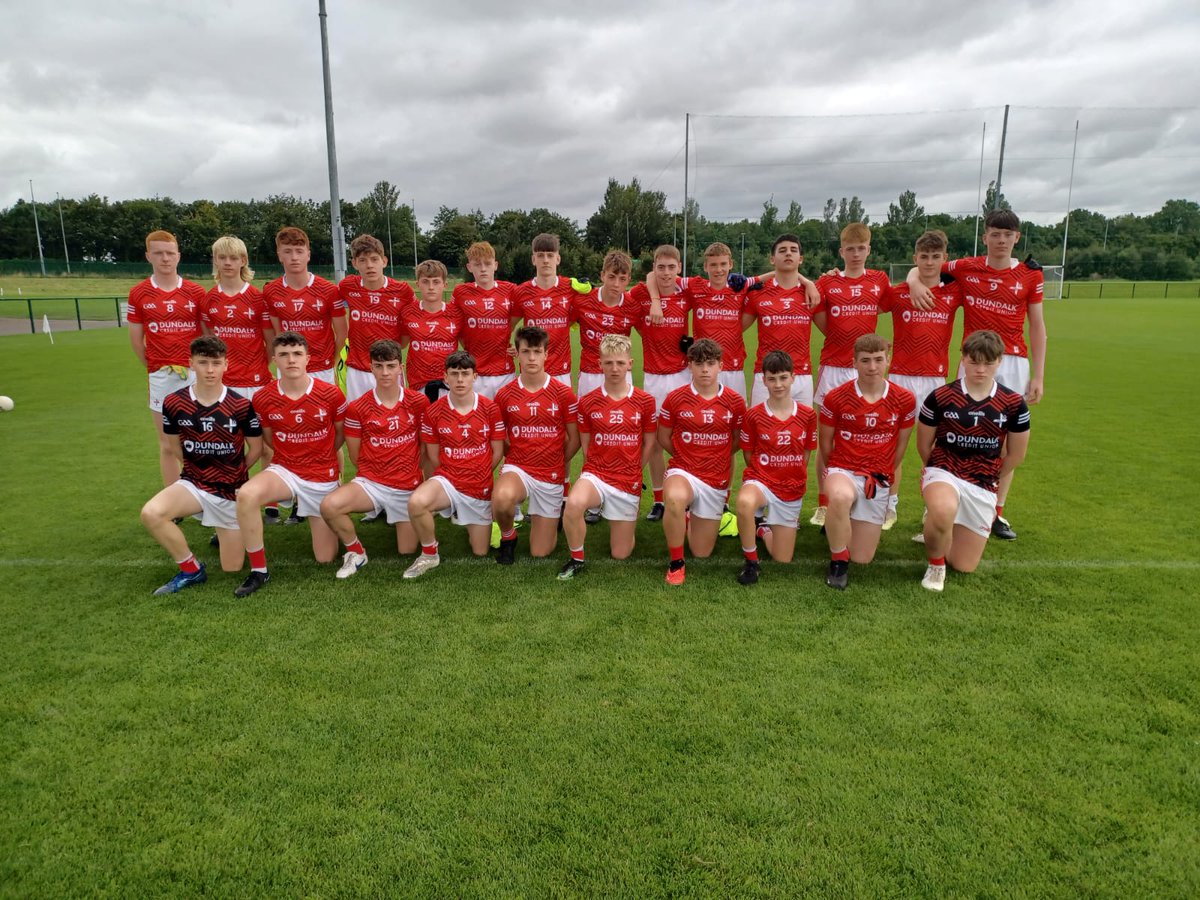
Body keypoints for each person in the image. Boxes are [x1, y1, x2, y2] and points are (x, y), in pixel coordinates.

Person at [909, 208, 1046, 541]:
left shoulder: (1030, 275)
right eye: (994, 234)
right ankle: (939, 506)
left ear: (1017, 237)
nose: (1000, 241)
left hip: (1012, 362)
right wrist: (913, 281)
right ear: (985, 237)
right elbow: (925, 267)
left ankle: (994, 510)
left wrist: (1038, 376)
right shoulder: (967, 267)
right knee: (952, 433)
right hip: (971, 361)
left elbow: (1038, 326)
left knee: (1003, 440)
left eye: (1007, 235)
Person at [140, 337, 262, 594]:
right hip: (195, 484)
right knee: (151, 513)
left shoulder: (241, 405)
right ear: (191, 363)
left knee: (232, 567)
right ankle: (191, 569)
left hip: (230, 491)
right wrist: (199, 469)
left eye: (215, 363)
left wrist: (236, 472)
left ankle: (223, 529)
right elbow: (175, 447)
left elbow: (257, 449)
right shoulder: (174, 402)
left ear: (226, 365)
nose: (209, 369)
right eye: (203, 362)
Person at [233, 332, 347, 597]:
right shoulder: (262, 398)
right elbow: (270, 438)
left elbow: (339, 435)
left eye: (297, 354)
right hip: (285, 469)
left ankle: (329, 504)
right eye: (284, 355)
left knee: (326, 558)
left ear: (308, 358)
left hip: (321, 474)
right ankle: (259, 570)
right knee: (247, 494)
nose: (291, 360)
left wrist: (322, 457)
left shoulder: (330, 394)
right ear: (274, 360)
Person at [917, 330, 1030, 591]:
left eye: (988, 363)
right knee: (943, 509)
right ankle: (935, 565)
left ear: (1000, 361)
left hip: (983, 482)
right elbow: (924, 444)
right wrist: (936, 471)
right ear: (963, 358)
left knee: (964, 565)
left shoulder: (1013, 404)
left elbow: (1016, 454)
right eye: (974, 361)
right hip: (944, 470)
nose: (980, 369)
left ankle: (938, 526)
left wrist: (990, 475)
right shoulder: (941, 397)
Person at [317, 339, 429, 579]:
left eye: (390, 366)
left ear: (401, 367)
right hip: (372, 483)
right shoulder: (357, 407)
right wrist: (379, 473)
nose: (385, 372)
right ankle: (356, 552)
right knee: (330, 506)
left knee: (407, 550)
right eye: (379, 366)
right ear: (371, 368)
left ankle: (398, 514)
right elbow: (355, 455)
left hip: (407, 486)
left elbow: (424, 447)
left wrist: (413, 476)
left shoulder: (418, 403)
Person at [809, 223, 891, 526]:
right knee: (827, 439)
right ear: (841, 251)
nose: (856, 254)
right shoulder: (827, 282)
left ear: (869, 249)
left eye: (861, 248)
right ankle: (823, 502)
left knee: (868, 435)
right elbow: (818, 313)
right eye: (850, 249)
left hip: (867, 369)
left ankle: (874, 498)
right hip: (833, 366)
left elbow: (891, 305)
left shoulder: (879, 281)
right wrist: (840, 339)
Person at [879, 229, 962, 530]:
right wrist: (912, 280)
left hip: (935, 382)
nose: (929, 262)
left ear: (944, 259)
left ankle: (932, 511)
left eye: (935, 256)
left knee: (934, 452)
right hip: (899, 378)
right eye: (923, 257)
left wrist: (916, 278)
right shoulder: (899, 292)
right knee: (892, 448)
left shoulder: (953, 292)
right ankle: (889, 506)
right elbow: (868, 307)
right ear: (915, 258)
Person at [557, 334, 658, 580]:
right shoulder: (588, 402)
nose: (615, 368)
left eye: (620, 363)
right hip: (597, 474)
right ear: (599, 363)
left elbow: (650, 441)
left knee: (621, 553)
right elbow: (586, 444)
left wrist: (636, 468)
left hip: (628, 479)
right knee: (573, 504)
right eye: (609, 362)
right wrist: (595, 469)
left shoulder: (645, 401)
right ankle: (576, 559)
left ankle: (619, 517)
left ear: (630, 364)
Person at [819, 334, 915, 589]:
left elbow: (901, 447)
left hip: (878, 477)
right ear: (854, 363)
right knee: (839, 495)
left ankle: (840, 523)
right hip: (844, 469)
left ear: (888, 361)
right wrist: (837, 471)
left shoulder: (904, 399)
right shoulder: (836, 397)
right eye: (865, 361)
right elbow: (826, 444)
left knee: (863, 557)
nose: (872, 367)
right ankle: (838, 561)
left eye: (877, 360)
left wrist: (883, 474)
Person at [404, 351, 506, 578]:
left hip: (479, 485)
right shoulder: (434, 411)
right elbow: (434, 455)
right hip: (448, 481)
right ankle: (430, 554)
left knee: (480, 552)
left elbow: (497, 451)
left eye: (465, 374)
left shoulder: (490, 408)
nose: (460, 380)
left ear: (474, 376)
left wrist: (477, 472)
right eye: (454, 374)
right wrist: (455, 472)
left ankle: (480, 518)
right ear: (445, 377)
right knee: (417, 503)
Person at [658, 338, 747, 586]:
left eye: (710, 363)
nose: (705, 369)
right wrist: (688, 454)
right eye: (699, 364)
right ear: (690, 366)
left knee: (701, 551)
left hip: (715, 479)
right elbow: (663, 436)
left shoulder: (735, 402)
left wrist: (714, 453)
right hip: (683, 471)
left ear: (720, 365)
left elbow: (738, 441)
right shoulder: (675, 398)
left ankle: (686, 518)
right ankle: (676, 563)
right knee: (675, 498)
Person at [492, 327, 579, 564]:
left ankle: (553, 517)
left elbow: (575, 438)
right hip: (519, 468)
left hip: (550, 474)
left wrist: (559, 461)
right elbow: (500, 436)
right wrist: (515, 456)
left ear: (546, 354)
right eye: (526, 351)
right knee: (501, 499)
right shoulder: (504, 394)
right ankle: (508, 536)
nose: (531, 358)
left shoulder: (563, 393)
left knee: (540, 552)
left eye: (536, 352)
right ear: (517, 354)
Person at [126, 229, 205, 486]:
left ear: (178, 256)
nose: (165, 259)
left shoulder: (196, 292)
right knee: (167, 443)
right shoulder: (138, 293)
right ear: (148, 256)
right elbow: (137, 340)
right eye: (158, 253)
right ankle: (174, 498)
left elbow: (206, 337)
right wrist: (154, 366)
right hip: (161, 376)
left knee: (201, 438)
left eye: (170, 253)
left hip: (195, 375)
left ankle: (206, 491)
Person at [733, 350, 818, 585]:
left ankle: (763, 530)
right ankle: (751, 561)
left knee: (783, 559)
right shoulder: (754, 416)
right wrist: (765, 474)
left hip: (791, 486)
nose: (778, 384)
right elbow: (749, 454)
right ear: (764, 380)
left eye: (782, 377)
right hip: (762, 480)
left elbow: (806, 452)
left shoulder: (808, 415)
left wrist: (790, 473)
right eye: (772, 378)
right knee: (744, 503)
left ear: (793, 377)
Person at [630, 245, 690, 521]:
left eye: (671, 267)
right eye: (660, 267)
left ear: (679, 268)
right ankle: (658, 499)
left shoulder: (686, 290)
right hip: (653, 377)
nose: (666, 273)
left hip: (682, 376)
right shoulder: (642, 293)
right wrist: (655, 299)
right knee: (652, 441)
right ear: (653, 267)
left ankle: (688, 493)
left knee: (684, 438)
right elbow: (646, 281)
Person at [648, 242, 752, 399]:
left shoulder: (740, 286)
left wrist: (803, 280)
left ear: (730, 264)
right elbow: (653, 275)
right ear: (705, 267)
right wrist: (655, 301)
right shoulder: (695, 286)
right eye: (713, 265)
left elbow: (770, 277)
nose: (718, 269)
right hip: (703, 365)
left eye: (723, 264)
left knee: (736, 419)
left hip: (733, 368)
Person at [743, 234, 821, 408]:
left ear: (800, 259)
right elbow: (735, 328)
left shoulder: (812, 293)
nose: (788, 254)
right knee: (762, 430)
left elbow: (831, 331)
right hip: (767, 375)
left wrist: (809, 281)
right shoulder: (757, 293)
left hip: (801, 375)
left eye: (793, 250)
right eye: (782, 250)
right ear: (772, 259)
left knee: (800, 432)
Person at [264, 226, 346, 385]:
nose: (294, 257)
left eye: (299, 251)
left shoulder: (329, 290)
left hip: (322, 369)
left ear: (308, 255)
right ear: (279, 255)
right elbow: (277, 334)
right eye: (287, 251)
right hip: (289, 367)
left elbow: (342, 333)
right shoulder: (271, 291)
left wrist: (333, 363)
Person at [339, 234, 413, 403]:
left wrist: (394, 349)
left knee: (391, 418)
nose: (369, 265)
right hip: (357, 370)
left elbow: (410, 328)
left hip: (389, 368)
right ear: (355, 264)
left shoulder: (402, 291)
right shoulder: (348, 286)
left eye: (374, 259)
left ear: (384, 261)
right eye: (363, 260)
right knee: (357, 419)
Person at [510, 233, 585, 388]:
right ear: (533, 259)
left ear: (558, 259)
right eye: (540, 255)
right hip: (531, 370)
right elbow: (508, 325)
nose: (545, 260)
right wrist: (507, 345)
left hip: (561, 371)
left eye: (550, 255)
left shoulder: (571, 288)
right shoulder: (521, 292)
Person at [572, 250, 640, 398]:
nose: (616, 284)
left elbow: (649, 337)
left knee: (622, 420)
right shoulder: (582, 300)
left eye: (622, 279)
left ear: (629, 279)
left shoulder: (634, 307)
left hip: (621, 373)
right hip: (590, 374)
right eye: (611, 277)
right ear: (602, 275)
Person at [455, 241, 518, 400]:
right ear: (469, 267)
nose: (483, 269)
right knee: (477, 421)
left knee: (505, 422)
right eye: (477, 264)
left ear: (495, 265)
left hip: (505, 372)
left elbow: (530, 316)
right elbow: (454, 327)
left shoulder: (510, 290)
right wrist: (468, 347)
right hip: (475, 373)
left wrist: (520, 345)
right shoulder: (461, 292)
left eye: (488, 264)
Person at [400, 259, 462, 396]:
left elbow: (469, 344)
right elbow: (401, 344)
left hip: (449, 384)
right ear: (417, 285)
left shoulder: (457, 313)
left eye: (436, 282)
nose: (431, 287)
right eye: (425, 282)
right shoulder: (408, 312)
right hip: (418, 385)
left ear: (445, 285)